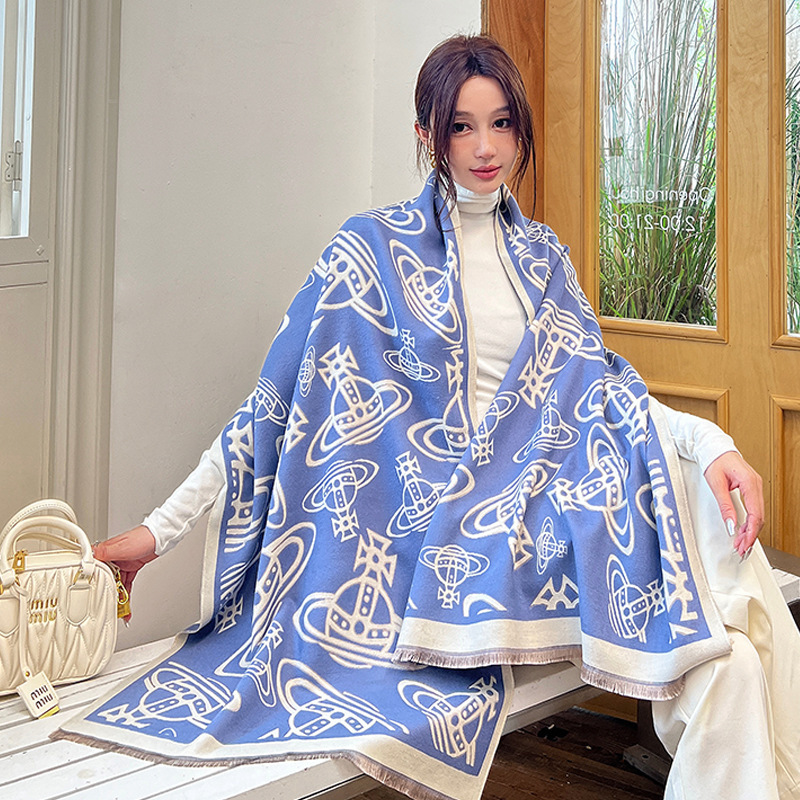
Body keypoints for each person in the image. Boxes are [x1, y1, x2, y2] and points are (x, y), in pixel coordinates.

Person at [89, 35, 798, 800]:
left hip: (553, 505)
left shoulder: (544, 260)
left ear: (520, 129)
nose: (486, 148)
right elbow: (270, 409)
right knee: (733, 611)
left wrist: (715, 444)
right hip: (445, 536)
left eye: (502, 123)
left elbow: (607, 395)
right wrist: (157, 532)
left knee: (733, 657)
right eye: (462, 126)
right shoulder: (369, 251)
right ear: (427, 134)